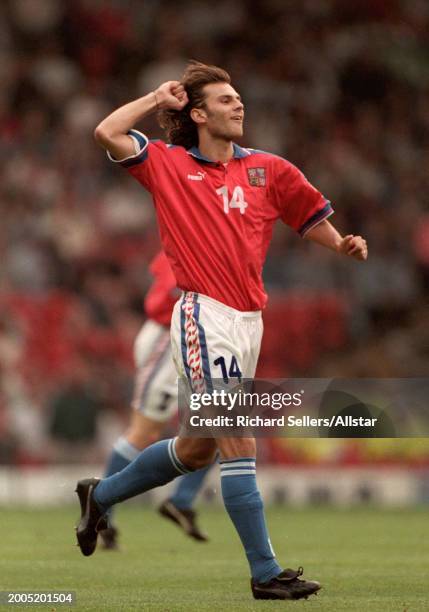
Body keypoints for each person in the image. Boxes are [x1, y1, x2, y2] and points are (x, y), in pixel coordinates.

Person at [75, 61, 367, 600]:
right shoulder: (166, 163)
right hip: (203, 315)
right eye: (227, 99)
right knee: (237, 435)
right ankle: (265, 573)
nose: (240, 105)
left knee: (195, 451)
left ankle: (102, 494)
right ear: (200, 112)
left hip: (250, 321)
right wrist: (155, 99)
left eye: (239, 97)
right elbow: (106, 133)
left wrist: (341, 243)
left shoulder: (269, 170)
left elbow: (308, 217)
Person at [100, 250, 212, 550]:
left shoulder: (213, 227)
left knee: (219, 425)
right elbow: (161, 298)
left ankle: (181, 500)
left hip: (198, 335)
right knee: (144, 432)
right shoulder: (196, 235)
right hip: (171, 336)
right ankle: (101, 515)